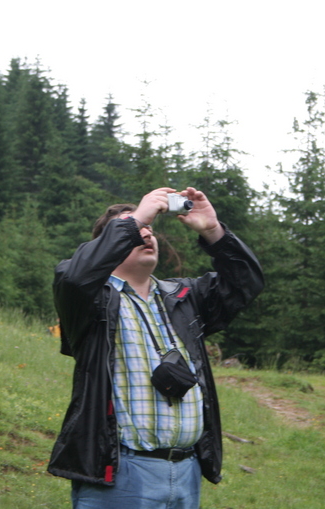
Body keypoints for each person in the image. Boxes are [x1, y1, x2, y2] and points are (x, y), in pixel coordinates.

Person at [48, 186, 264, 508]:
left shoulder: (185, 297)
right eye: (134, 230)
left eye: (149, 229)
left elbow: (246, 282)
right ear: (106, 247)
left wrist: (213, 231)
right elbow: (75, 277)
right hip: (119, 471)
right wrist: (136, 219)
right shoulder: (89, 301)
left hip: (187, 471)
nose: (146, 233)